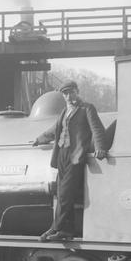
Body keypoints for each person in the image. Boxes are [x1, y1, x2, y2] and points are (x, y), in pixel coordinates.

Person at [33, 80, 107, 241]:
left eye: (71, 92)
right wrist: (39, 139)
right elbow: (54, 130)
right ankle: (66, 231)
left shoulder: (87, 108)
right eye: (65, 93)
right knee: (61, 194)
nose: (68, 96)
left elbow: (97, 128)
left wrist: (100, 147)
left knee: (66, 194)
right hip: (61, 155)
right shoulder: (64, 112)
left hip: (76, 156)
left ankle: (55, 228)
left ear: (77, 91)